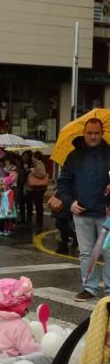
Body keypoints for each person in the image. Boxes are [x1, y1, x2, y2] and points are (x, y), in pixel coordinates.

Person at [56, 117, 110, 301]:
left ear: (102, 133)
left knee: (109, 253)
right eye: (89, 133)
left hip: (107, 213)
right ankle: (89, 288)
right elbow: (62, 183)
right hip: (82, 212)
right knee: (86, 252)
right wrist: (70, 202)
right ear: (84, 133)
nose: (93, 136)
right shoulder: (73, 156)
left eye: (96, 133)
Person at [0, 277, 41, 357]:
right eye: (25, 305)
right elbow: (31, 352)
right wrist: (42, 346)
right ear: (17, 305)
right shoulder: (19, 326)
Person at [24, 151, 48, 229]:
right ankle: (38, 221)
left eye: (33, 157)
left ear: (36, 158)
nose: (32, 159)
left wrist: (32, 171)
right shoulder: (36, 165)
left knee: (38, 205)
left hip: (39, 189)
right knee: (38, 205)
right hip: (36, 189)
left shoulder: (40, 165)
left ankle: (39, 222)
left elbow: (41, 174)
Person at [16, 151, 32, 225]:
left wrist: (27, 170)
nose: (25, 157)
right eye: (23, 156)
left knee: (29, 203)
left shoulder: (31, 165)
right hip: (20, 186)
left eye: (26, 156)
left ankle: (29, 219)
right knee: (21, 203)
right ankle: (22, 218)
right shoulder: (20, 165)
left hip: (28, 187)